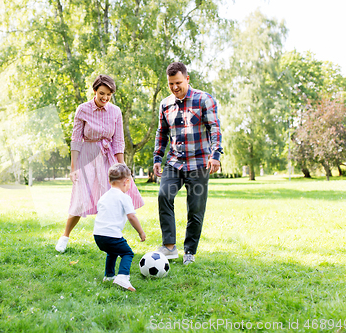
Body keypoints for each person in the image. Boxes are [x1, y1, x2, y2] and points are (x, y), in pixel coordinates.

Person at [55, 75, 144, 253]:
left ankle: (113, 238)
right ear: (94, 91)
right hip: (87, 156)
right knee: (80, 200)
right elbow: (76, 140)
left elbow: (118, 141)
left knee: (112, 197)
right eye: (101, 93)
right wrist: (74, 168)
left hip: (107, 156)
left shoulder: (115, 112)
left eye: (108, 95)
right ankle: (65, 236)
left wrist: (122, 168)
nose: (104, 98)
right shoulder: (82, 110)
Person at [153, 62, 222, 265]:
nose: (175, 87)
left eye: (178, 83)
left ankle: (189, 251)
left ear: (187, 79)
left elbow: (214, 128)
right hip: (174, 163)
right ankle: (169, 247)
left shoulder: (204, 99)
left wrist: (216, 154)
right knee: (164, 195)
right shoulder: (165, 104)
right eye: (171, 84)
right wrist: (158, 158)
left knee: (195, 209)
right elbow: (162, 133)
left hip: (199, 163)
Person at [93, 163, 146, 291]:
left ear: (110, 180)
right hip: (111, 235)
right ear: (126, 182)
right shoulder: (124, 197)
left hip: (98, 235)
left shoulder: (104, 197)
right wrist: (141, 232)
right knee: (127, 253)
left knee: (112, 252)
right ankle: (122, 277)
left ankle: (109, 276)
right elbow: (131, 217)